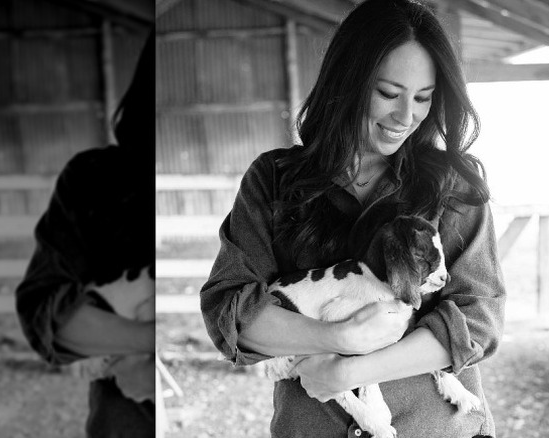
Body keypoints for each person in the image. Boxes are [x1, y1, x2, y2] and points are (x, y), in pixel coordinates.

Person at [200, 0, 505, 436]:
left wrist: (351, 371)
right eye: (387, 93)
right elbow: (230, 311)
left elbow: (480, 317)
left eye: (423, 98)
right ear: (347, 81)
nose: (406, 117)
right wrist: (338, 339)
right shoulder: (274, 179)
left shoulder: (453, 183)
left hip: (434, 427)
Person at [15, 31, 156, 437]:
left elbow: (231, 310)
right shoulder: (96, 179)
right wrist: (149, 343)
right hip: (124, 410)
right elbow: (45, 310)